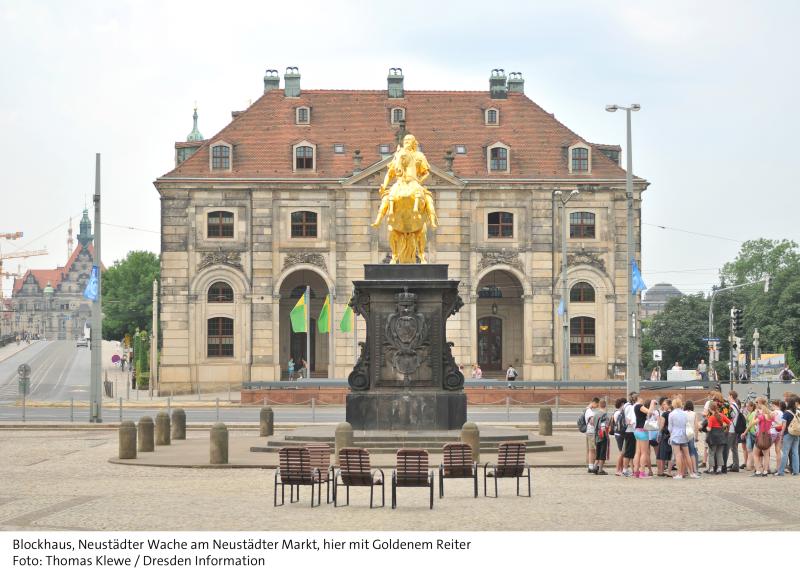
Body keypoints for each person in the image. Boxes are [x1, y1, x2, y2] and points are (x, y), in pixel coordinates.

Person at [668, 396, 694, 479]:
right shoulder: (685, 413)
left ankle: (679, 474)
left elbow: (670, 428)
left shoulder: (671, 414)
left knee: (678, 455)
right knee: (687, 455)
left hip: (675, 435)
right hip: (684, 435)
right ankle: (692, 473)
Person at [633, 397, 657, 478]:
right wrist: (652, 403)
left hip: (637, 430)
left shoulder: (636, 407)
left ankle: (636, 471)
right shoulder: (639, 406)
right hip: (643, 431)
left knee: (638, 452)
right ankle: (642, 472)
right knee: (644, 452)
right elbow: (650, 412)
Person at [706, 401, 731, 474]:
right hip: (721, 436)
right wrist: (725, 427)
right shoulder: (722, 415)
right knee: (719, 453)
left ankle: (711, 468)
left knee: (711, 453)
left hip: (713, 437)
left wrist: (704, 428)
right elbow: (729, 422)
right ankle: (719, 468)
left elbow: (709, 429)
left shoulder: (711, 418)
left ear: (710, 409)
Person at [777, 397, 800, 476]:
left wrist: (781, 435)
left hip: (788, 434)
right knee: (795, 452)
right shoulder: (798, 411)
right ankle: (796, 471)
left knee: (785, 453)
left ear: (788, 404)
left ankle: (781, 471)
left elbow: (783, 426)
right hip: (797, 433)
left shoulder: (786, 413)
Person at [593, 399, 610, 475]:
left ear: (599, 405)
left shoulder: (595, 414)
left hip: (596, 435)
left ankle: (594, 467)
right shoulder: (605, 415)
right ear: (605, 405)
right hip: (602, 436)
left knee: (598, 452)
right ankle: (600, 469)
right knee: (602, 453)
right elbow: (604, 426)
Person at [656, 398, 673, 477]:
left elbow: (661, 426)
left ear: (669, 405)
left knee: (662, 453)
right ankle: (669, 471)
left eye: (664, 404)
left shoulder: (665, 414)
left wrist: (658, 434)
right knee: (670, 454)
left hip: (665, 435)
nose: (663, 406)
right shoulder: (673, 413)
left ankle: (661, 471)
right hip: (672, 435)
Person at [725, 391, 741, 472]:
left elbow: (732, 416)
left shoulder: (731, 406)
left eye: (728, 395)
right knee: (734, 448)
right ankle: (736, 465)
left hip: (731, 429)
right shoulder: (737, 405)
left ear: (731, 396)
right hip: (735, 429)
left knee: (727, 447)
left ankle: (724, 465)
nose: (728, 397)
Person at [612, 398, 627, 476]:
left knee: (622, 452)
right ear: (622, 404)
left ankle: (620, 469)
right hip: (620, 434)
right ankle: (618, 469)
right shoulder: (619, 413)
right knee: (622, 452)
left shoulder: (617, 412)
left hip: (618, 433)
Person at [584, 397, 600, 473]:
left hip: (589, 431)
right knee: (594, 450)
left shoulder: (587, 409)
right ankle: (593, 466)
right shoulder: (590, 411)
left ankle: (591, 465)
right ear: (594, 402)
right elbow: (592, 421)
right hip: (592, 432)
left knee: (591, 450)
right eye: (597, 404)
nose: (597, 406)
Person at [684, 400, 700, 475]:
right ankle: (694, 469)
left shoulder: (683, 413)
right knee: (692, 452)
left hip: (684, 435)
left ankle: (685, 470)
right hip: (691, 434)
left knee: (684, 453)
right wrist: (696, 436)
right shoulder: (694, 414)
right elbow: (696, 426)